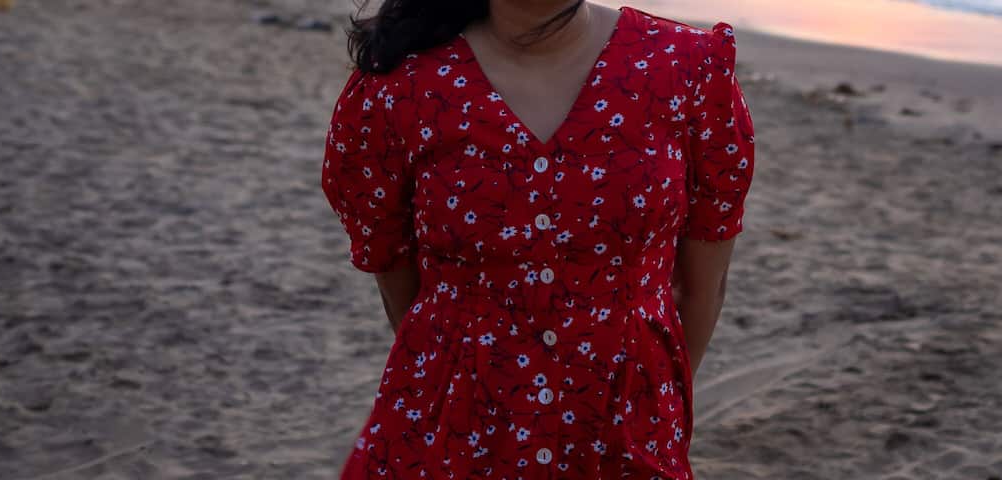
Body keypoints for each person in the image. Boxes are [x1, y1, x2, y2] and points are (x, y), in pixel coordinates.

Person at [319, 0, 755, 477]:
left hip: (623, 431)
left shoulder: (686, 66)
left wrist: (650, 398)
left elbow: (703, 287)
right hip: (451, 429)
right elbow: (397, 282)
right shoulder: (400, 88)